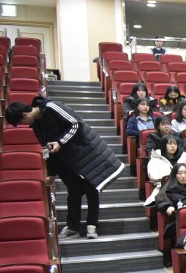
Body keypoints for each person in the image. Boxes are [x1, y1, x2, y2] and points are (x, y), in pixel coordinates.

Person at [5, 97, 125, 240]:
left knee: (91, 189)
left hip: (85, 153)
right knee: (73, 192)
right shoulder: (36, 126)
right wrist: (51, 173)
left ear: (24, 115)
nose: (22, 125)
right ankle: (73, 228)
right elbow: (47, 149)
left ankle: (92, 225)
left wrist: (60, 142)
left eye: (20, 122)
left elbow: (76, 124)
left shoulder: (51, 107)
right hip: (67, 160)